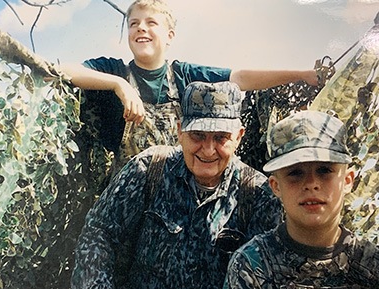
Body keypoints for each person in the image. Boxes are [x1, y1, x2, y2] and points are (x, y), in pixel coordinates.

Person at [59, 0, 319, 172]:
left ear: (170, 36)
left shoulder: (184, 75)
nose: (141, 28)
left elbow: (240, 78)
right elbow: (60, 71)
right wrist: (118, 85)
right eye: (133, 24)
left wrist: (301, 74)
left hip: (178, 197)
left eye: (151, 23)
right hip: (126, 203)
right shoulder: (113, 70)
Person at [71, 81, 283, 289]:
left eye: (221, 138)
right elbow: (98, 233)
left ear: (238, 137)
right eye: (198, 135)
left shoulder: (257, 194)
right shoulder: (149, 169)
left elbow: (268, 272)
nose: (208, 150)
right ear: (180, 132)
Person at [223, 110, 379, 289]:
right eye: (295, 172)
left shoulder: (371, 265)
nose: (311, 184)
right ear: (275, 186)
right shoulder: (252, 266)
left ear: (347, 180)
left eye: (324, 170)